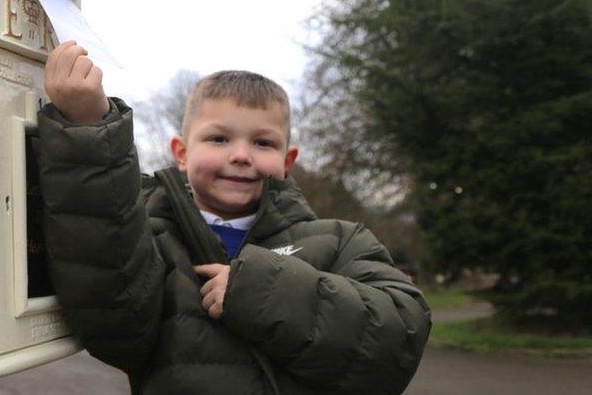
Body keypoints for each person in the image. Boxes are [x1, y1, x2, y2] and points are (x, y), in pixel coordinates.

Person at [35, 41, 430, 394]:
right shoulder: (149, 234)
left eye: (263, 142)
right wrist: (89, 128)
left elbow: (400, 336)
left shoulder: (341, 241)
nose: (241, 155)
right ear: (182, 152)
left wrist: (257, 289)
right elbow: (114, 330)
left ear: (287, 161)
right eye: (219, 139)